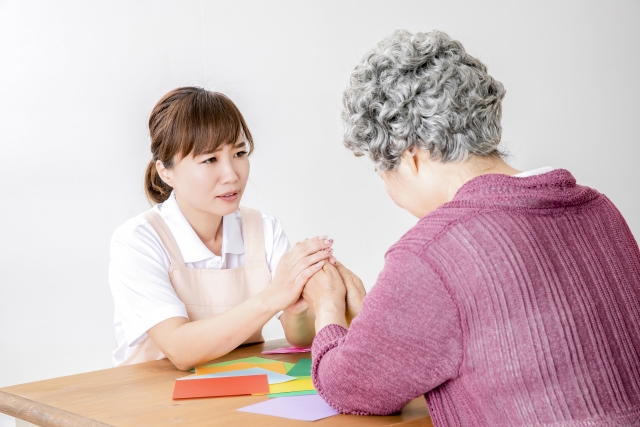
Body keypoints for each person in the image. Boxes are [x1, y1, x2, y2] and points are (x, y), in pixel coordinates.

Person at [302, 30, 640, 426]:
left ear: (411, 157)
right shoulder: (597, 208)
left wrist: (327, 304)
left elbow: (350, 385)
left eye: (383, 172)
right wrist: (371, 318)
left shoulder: (433, 250)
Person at [109, 87, 334, 369]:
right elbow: (180, 349)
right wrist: (274, 296)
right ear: (166, 172)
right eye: (210, 159)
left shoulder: (263, 229)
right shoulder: (138, 240)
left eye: (239, 153)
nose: (232, 175)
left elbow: (300, 338)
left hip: (236, 392)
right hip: (154, 400)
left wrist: (297, 307)